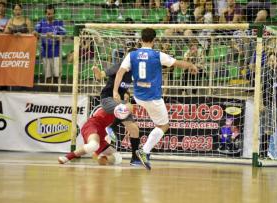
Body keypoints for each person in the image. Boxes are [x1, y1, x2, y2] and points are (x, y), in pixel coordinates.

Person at [113, 28, 198, 170]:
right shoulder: (158, 55)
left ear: (141, 40)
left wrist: (115, 91)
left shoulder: (132, 55)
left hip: (138, 95)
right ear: (154, 40)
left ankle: (116, 126)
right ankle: (144, 151)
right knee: (163, 126)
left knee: (134, 109)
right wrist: (191, 65)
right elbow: (177, 63)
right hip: (152, 97)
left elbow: (120, 73)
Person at [92, 48, 142, 166]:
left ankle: (134, 159)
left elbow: (125, 88)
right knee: (130, 106)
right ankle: (112, 127)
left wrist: (126, 94)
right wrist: (97, 72)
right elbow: (100, 76)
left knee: (134, 129)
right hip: (107, 99)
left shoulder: (135, 71)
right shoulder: (119, 66)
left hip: (119, 104)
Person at [58, 103, 125, 165]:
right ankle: (67, 157)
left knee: (118, 157)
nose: (125, 100)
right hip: (92, 125)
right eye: (124, 97)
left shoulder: (121, 112)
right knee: (93, 145)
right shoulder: (110, 105)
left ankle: (103, 158)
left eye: (127, 99)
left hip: (101, 131)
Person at [34, 4, 66, 84]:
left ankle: (56, 93)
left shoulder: (59, 23)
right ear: (45, 14)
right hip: (45, 52)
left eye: (52, 13)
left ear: (54, 13)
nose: (50, 15)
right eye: (48, 14)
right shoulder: (41, 23)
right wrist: (36, 33)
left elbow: (64, 37)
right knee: (47, 75)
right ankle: (49, 92)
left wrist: (54, 37)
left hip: (56, 53)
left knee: (56, 74)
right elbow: (35, 34)